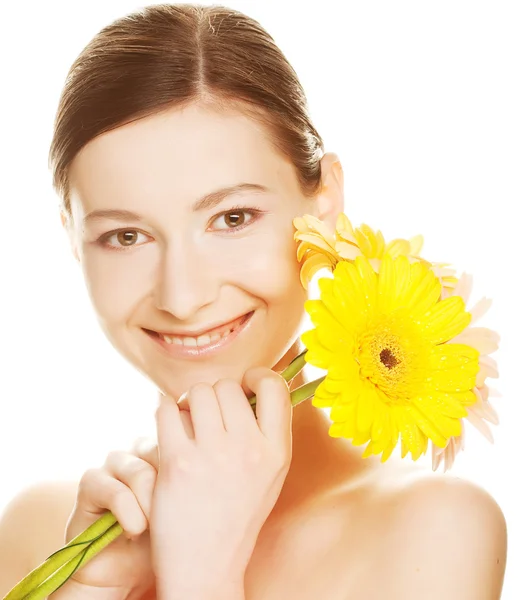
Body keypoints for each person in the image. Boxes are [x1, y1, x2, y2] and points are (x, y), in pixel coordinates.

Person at [0, 3, 507, 599]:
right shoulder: (49, 533)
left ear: (324, 202)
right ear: (72, 238)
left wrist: (202, 574)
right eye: (126, 236)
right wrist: (90, 590)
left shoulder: (433, 532)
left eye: (232, 218)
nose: (183, 298)